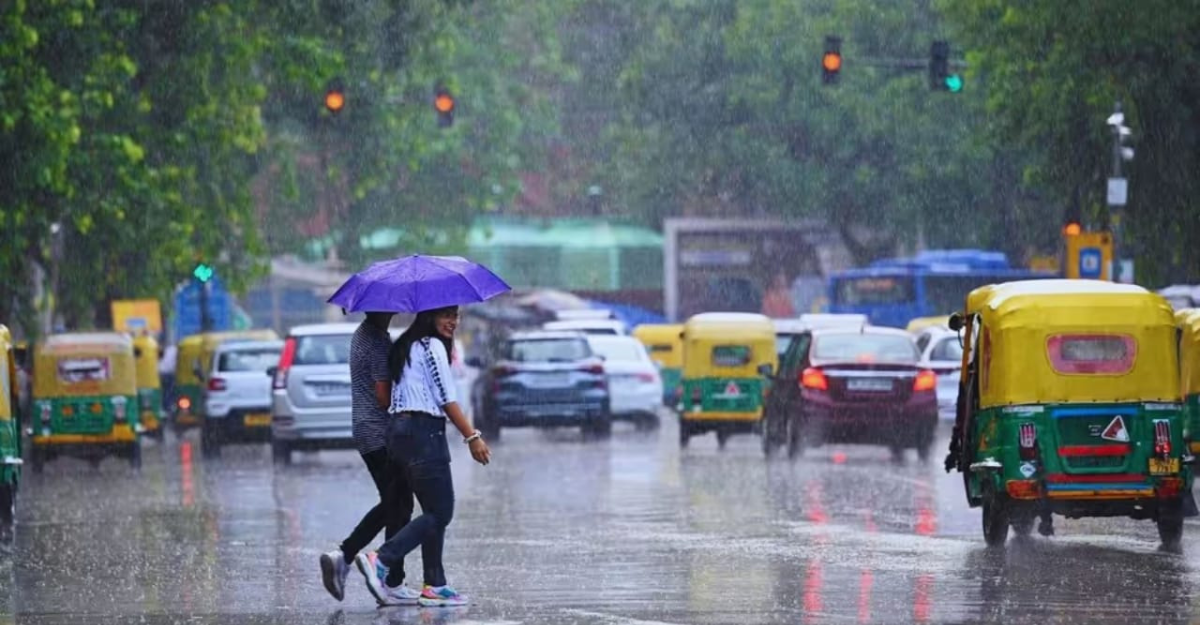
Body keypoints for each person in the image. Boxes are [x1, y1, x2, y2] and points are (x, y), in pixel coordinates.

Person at [355, 305, 491, 608]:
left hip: (399, 434)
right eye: (446, 315)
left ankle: (435, 584)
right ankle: (382, 558)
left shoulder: (406, 345)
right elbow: (446, 397)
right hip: (422, 432)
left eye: (455, 315)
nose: (453, 322)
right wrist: (472, 436)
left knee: (431, 511)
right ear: (429, 316)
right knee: (441, 512)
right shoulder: (431, 347)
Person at [320, 312, 415, 603]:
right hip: (379, 433)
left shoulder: (365, 334)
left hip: (366, 429)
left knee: (396, 503)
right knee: (398, 503)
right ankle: (379, 572)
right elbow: (384, 397)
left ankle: (377, 571)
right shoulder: (376, 341)